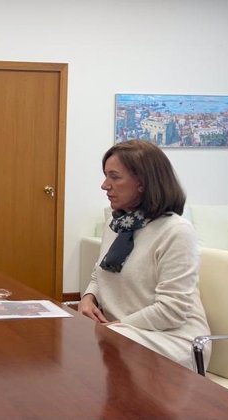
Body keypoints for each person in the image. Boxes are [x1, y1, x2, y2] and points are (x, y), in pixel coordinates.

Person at [78, 140, 210, 370]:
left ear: (143, 182)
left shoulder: (176, 231)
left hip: (171, 340)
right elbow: (100, 274)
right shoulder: (117, 222)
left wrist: (116, 328)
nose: (104, 185)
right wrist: (88, 298)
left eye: (114, 177)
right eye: (105, 176)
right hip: (123, 332)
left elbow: (172, 311)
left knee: (86, 352)